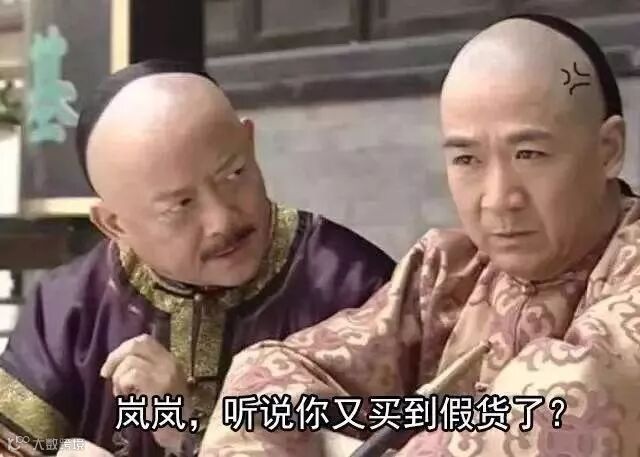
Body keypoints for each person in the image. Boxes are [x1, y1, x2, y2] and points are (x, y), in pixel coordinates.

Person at [200, 14, 640, 457]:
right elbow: (267, 381)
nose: (498, 199)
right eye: (467, 160)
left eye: (529, 154)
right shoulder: (447, 274)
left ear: (609, 150)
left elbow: (559, 408)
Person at [0, 60, 396, 457]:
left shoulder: (357, 289)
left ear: (249, 142)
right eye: (181, 205)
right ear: (114, 224)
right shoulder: (66, 308)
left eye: (234, 174)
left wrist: (192, 433)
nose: (222, 220)